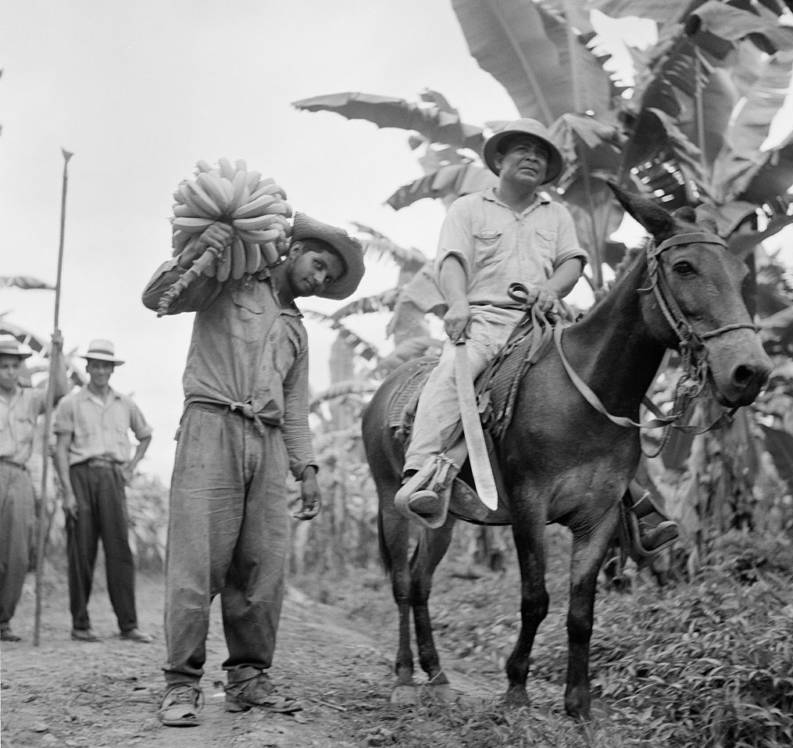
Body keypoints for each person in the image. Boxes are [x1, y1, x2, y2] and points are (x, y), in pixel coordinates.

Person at [397, 118, 678, 553]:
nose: (532, 157)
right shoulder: (468, 209)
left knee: (602, 390)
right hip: (485, 321)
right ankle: (422, 474)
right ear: (500, 160)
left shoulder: (557, 214)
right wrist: (456, 303)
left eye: (541, 154)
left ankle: (639, 502)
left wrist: (551, 289)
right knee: (455, 373)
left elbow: (571, 262)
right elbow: (451, 261)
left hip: (544, 324)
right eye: (522, 150)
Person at [141, 213, 365, 727]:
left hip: (264, 442)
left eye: (329, 275)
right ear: (291, 251)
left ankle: (248, 678)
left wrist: (305, 466)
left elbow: (294, 405)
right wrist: (201, 253)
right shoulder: (229, 279)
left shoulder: (297, 331)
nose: (320, 278)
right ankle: (181, 683)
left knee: (263, 567)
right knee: (197, 563)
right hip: (210, 427)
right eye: (317, 263)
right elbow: (158, 299)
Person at [53, 339, 153, 644]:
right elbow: (59, 450)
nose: (100, 370)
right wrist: (68, 493)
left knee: (119, 550)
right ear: (87, 367)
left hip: (112, 477)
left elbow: (145, 435)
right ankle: (80, 625)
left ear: (112, 369)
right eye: (95, 365)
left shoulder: (126, 404)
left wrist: (130, 466)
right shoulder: (71, 403)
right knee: (81, 551)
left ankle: (128, 625)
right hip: (80, 474)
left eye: (105, 365)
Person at [0, 334, 68, 642]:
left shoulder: (30, 398)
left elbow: (59, 392)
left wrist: (57, 353)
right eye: (3, 366)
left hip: (19, 475)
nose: (9, 372)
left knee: (17, 553)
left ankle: (3, 620)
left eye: (14, 366)